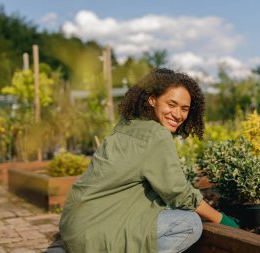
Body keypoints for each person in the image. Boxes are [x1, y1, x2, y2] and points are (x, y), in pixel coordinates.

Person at [58, 68, 238, 253]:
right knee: (189, 223)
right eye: (171, 104)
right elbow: (179, 194)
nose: (178, 114)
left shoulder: (126, 124)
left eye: (184, 109)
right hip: (96, 235)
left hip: (74, 226)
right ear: (152, 99)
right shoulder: (157, 134)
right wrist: (222, 220)